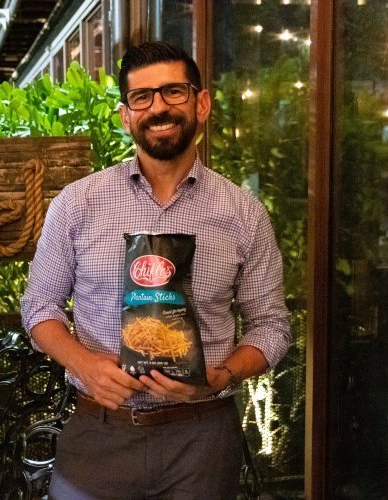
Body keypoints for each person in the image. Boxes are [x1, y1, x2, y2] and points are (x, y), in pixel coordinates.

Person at [20, 41, 291, 499]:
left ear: (201, 104)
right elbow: (38, 307)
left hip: (202, 438)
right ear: (126, 116)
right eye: (142, 97)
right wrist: (84, 364)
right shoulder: (78, 203)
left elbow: (272, 326)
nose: (158, 107)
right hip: (99, 429)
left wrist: (221, 376)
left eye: (173, 92)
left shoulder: (244, 214)